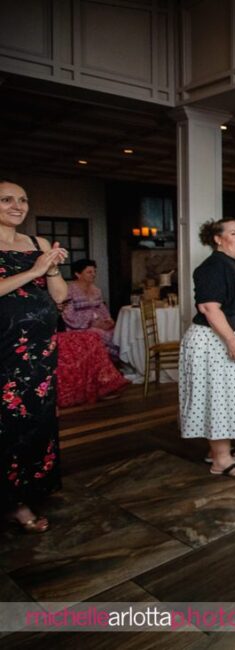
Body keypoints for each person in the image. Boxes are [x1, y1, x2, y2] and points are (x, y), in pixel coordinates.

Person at [0, 180, 68, 532]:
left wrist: (52, 268)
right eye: (7, 199)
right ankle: (13, 503)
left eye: (23, 199)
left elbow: (59, 296)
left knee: (37, 422)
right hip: (4, 351)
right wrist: (34, 271)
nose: (18, 205)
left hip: (39, 353)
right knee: (6, 425)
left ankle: (29, 489)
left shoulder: (37, 243)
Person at [179, 219, 235, 477]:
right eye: (233, 233)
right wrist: (232, 339)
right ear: (217, 238)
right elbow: (209, 307)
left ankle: (219, 447)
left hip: (232, 336)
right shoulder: (214, 266)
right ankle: (221, 460)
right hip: (214, 343)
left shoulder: (232, 264)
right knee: (218, 398)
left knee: (230, 398)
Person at [62, 258, 119, 361]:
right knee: (100, 334)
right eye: (89, 272)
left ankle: (116, 364)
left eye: (94, 272)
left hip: (98, 324)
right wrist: (91, 322)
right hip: (78, 327)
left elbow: (102, 308)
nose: (93, 274)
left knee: (118, 333)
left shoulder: (96, 290)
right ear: (78, 274)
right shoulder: (68, 291)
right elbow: (68, 315)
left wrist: (108, 320)